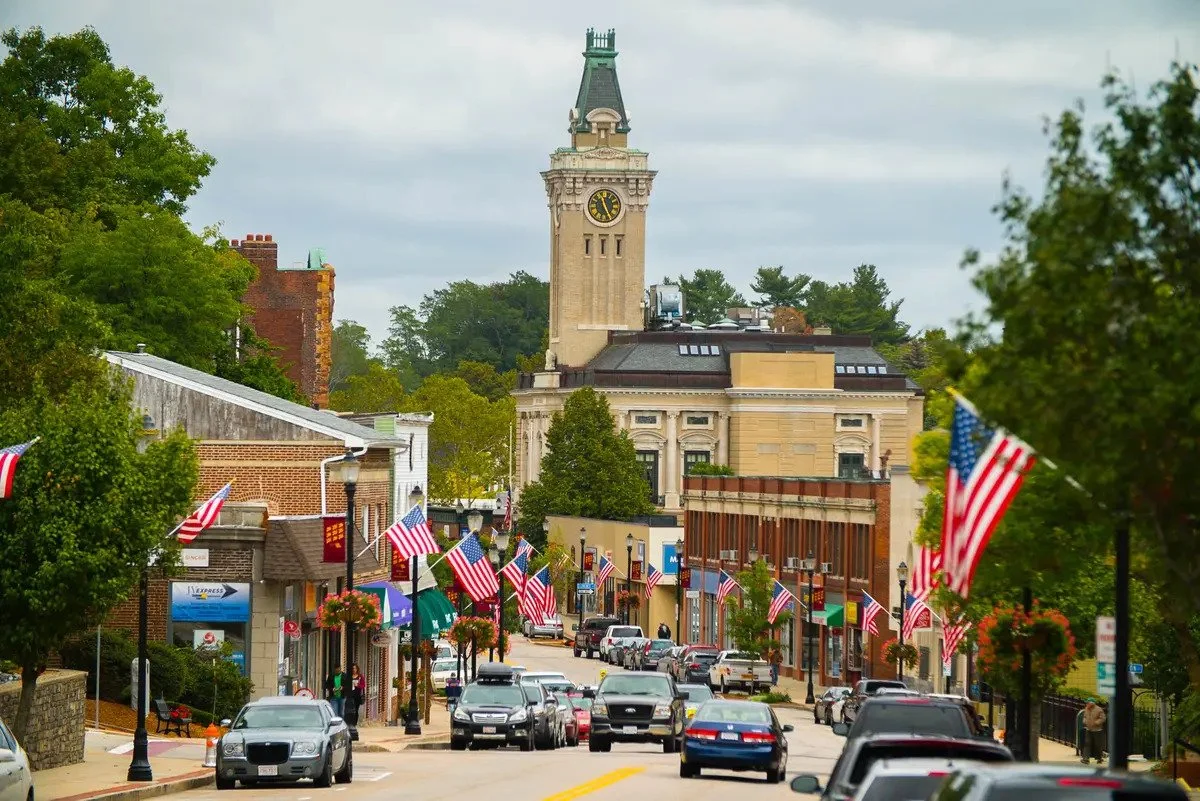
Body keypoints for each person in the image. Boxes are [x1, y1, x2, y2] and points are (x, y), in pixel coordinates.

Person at [1081, 698, 1107, 763]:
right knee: (1087, 744)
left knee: (1098, 745)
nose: (1086, 704)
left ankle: (1099, 758)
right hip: (1088, 729)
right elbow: (1085, 716)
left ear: (1092, 703)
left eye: (1088, 703)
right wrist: (1084, 721)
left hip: (1097, 730)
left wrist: (1096, 723)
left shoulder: (1099, 710)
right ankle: (1086, 759)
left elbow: (1103, 718)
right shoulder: (1086, 708)